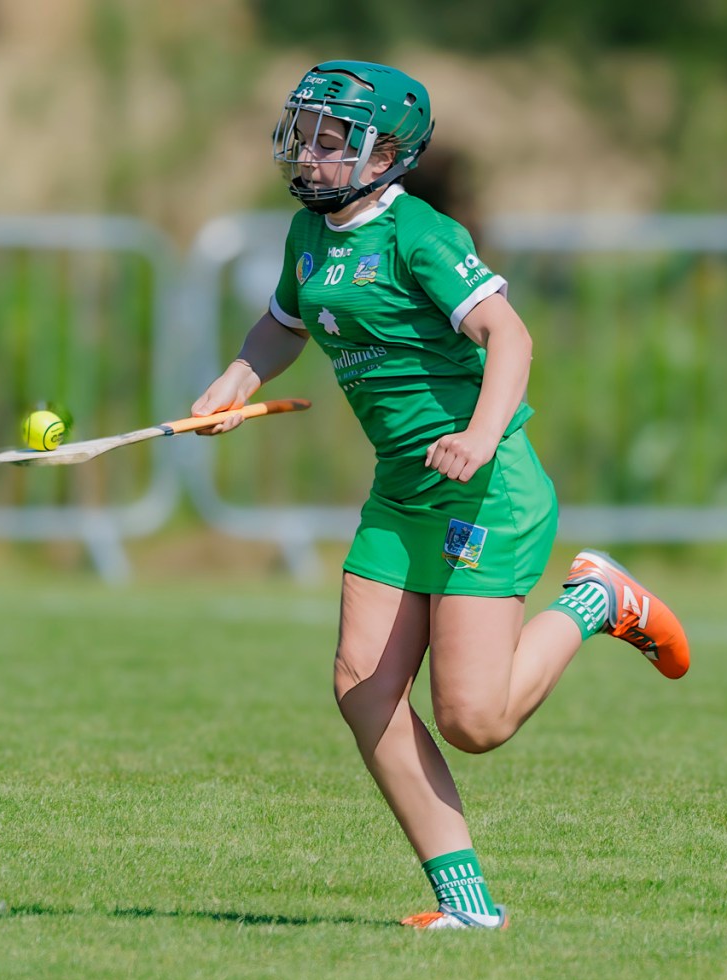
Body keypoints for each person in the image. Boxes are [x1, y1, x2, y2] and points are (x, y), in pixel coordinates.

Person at [192, 60, 691, 931]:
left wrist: (482, 435)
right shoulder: (308, 234)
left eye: (331, 140)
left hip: (484, 490)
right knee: (362, 687)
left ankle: (597, 600)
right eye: (303, 134)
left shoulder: (417, 233)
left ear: (386, 154)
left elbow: (510, 335)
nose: (308, 154)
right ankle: (468, 904)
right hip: (400, 492)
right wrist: (238, 377)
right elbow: (284, 322)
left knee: (473, 719)